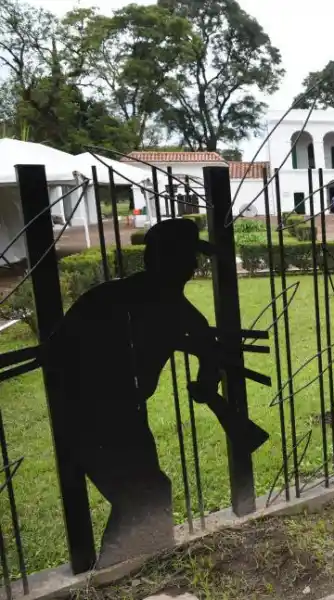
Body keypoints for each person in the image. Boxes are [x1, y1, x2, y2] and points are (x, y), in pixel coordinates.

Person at [43, 218, 225, 568]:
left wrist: (207, 382)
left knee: (150, 491)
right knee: (145, 494)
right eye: (188, 257)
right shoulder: (110, 301)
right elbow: (57, 355)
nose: (194, 266)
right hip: (89, 416)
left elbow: (207, 352)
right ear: (165, 259)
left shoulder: (166, 308)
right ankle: (118, 573)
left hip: (126, 414)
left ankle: (145, 565)